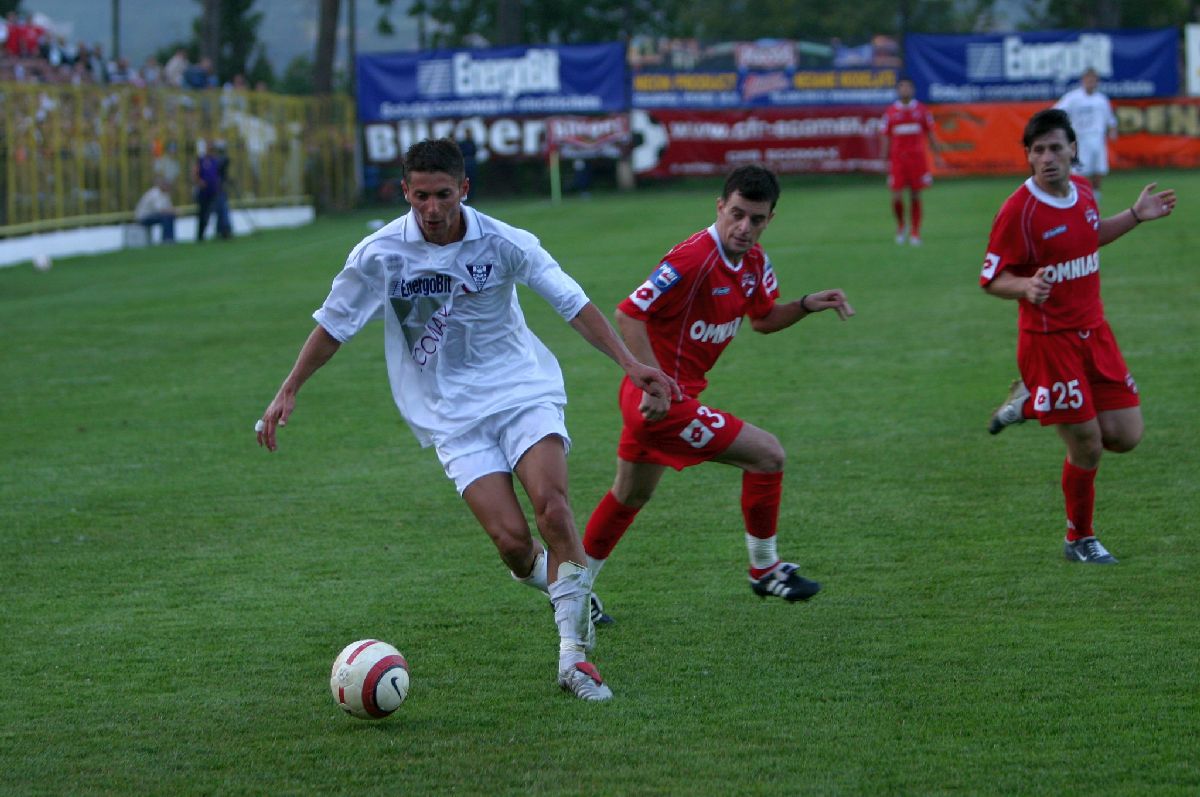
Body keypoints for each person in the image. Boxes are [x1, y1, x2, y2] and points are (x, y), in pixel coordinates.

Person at [255, 138, 680, 701]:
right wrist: (289, 388)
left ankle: (574, 660)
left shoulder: (504, 241)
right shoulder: (379, 254)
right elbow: (335, 324)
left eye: (444, 195)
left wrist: (630, 364)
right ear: (405, 192)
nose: (433, 209)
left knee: (553, 507)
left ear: (464, 190)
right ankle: (566, 589)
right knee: (511, 542)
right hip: (450, 415)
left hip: (521, 390)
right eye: (421, 196)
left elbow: (570, 301)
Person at [581, 164, 855, 610]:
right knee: (768, 455)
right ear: (720, 207)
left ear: (770, 219)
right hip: (659, 402)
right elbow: (629, 313)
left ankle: (573, 591)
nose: (745, 228)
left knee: (629, 495)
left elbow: (763, 319)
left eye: (757, 219)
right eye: (737, 214)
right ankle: (765, 569)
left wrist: (807, 305)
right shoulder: (692, 259)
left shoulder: (754, 262)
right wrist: (654, 383)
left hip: (663, 399)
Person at [981, 108, 1176, 564]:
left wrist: (1134, 215)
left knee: (1125, 436)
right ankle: (1079, 538)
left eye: (1055, 147)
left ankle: (1031, 402)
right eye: (1038, 150)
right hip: (1049, 341)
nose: (1048, 157)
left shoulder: (1085, 192)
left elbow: (1090, 235)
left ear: (1073, 150)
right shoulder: (1019, 211)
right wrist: (1025, 286)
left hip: (1095, 333)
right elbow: (990, 278)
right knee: (1087, 442)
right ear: (1028, 157)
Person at [882, 76, 941, 246]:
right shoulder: (891, 112)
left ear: (913, 90)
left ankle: (915, 232)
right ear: (897, 90)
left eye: (908, 87)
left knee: (915, 194)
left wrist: (937, 154)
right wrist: (884, 159)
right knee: (897, 196)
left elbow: (930, 133)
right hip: (898, 160)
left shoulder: (922, 110)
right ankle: (901, 226)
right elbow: (885, 136)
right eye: (902, 87)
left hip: (917, 159)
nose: (905, 90)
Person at [1055, 68, 1118, 203]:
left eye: (1093, 80)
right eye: (1088, 79)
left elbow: (1110, 118)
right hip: (1080, 139)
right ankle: (1077, 196)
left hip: (1098, 138)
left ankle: (1095, 197)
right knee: (1080, 170)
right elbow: (1057, 111)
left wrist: (1112, 129)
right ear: (1083, 81)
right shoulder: (1073, 97)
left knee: (1099, 169)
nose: (1091, 82)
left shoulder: (1101, 99)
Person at [194, 139, 231, 241]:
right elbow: (196, 172)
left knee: (221, 210)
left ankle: (224, 232)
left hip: (215, 191)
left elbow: (219, 174)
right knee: (203, 214)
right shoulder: (201, 160)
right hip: (204, 191)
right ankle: (200, 235)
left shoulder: (215, 160)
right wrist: (200, 182)